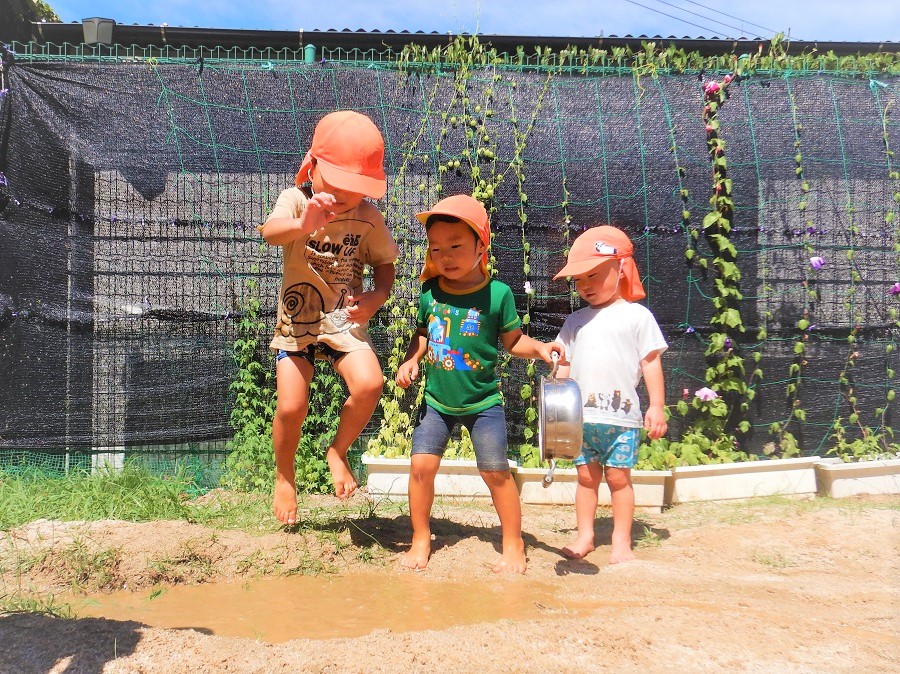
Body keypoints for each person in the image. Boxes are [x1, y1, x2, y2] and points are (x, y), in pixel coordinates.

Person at [395, 194, 560, 574]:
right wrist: (411, 359)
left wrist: (541, 349)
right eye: (436, 248)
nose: (445, 256)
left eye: (455, 246)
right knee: (420, 467)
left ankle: (513, 542)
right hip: (436, 400)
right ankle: (421, 537)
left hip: (484, 402)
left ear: (481, 247)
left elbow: (514, 341)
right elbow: (423, 334)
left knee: (495, 472)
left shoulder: (497, 294)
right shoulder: (430, 292)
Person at [259, 111, 399, 525]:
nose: (342, 199)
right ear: (313, 165)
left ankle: (337, 450)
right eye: (336, 187)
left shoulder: (369, 217)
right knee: (291, 406)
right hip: (297, 321)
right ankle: (285, 476)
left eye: (354, 192)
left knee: (371, 383)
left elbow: (385, 265)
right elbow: (270, 232)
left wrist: (378, 295)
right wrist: (304, 224)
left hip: (343, 321)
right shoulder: (296, 200)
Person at [552, 225, 668, 564]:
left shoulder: (637, 317)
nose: (585, 285)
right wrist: (555, 400)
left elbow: (650, 363)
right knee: (586, 478)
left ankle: (621, 542)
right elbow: (564, 364)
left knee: (619, 479)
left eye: (594, 274)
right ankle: (585, 535)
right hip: (582, 419)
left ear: (621, 268)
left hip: (622, 418)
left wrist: (657, 406)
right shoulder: (575, 321)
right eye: (579, 279)